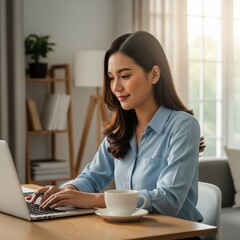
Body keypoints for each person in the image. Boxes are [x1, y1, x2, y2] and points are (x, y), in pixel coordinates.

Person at [29, 31, 204, 232]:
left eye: (125, 76)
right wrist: (67, 191)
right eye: (111, 78)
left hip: (174, 234)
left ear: (154, 74)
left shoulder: (183, 125)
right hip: (130, 232)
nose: (116, 87)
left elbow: (169, 200)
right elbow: (92, 177)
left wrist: (95, 199)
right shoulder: (120, 129)